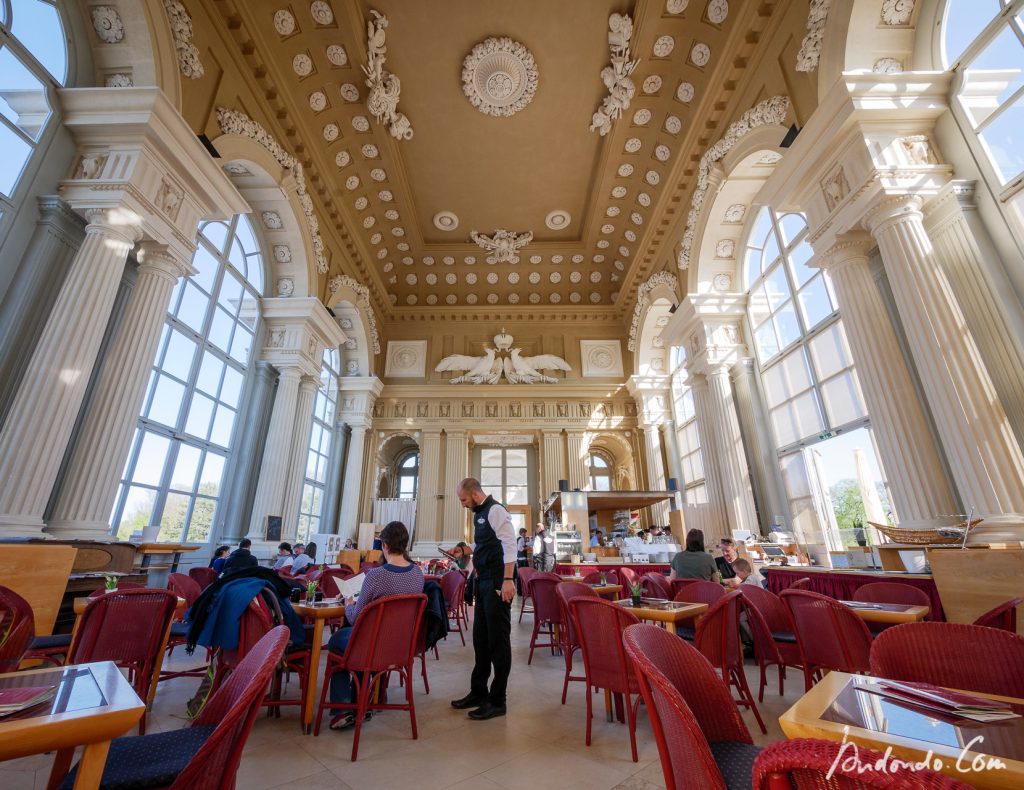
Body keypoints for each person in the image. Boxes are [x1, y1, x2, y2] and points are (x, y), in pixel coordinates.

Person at [326, 521, 423, 730]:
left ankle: (341, 709)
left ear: (385, 545)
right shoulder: (417, 574)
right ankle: (364, 703)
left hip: (373, 646)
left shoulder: (376, 576)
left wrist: (349, 602)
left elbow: (354, 618)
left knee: (338, 640)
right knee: (363, 639)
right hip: (400, 646)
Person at [450, 478, 516, 721]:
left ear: (475, 494)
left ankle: (498, 700)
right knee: (481, 640)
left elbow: (510, 546)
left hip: (498, 583)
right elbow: (485, 544)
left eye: (463, 500)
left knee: (498, 643)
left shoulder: (496, 510)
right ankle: (479, 692)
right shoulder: (480, 514)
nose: (463, 505)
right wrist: (466, 550)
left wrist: (508, 580)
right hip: (483, 583)